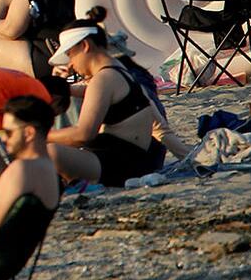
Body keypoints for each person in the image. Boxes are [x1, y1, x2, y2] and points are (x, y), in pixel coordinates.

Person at [46, 11, 179, 186]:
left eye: (70, 54)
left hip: (120, 163)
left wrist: (40, 135)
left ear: (85, 46)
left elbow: (83, 134)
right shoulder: (121, 71)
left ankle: (73, 184)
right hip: (138, 159)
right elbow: (86, 91)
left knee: (50, 151)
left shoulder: (103, 79)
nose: (70, 64)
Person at [0, 95, 64, 251]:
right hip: (0, 260)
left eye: (8, 132)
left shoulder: (22, 170)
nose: (4, 138)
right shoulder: (47, 169)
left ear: (29, 133)